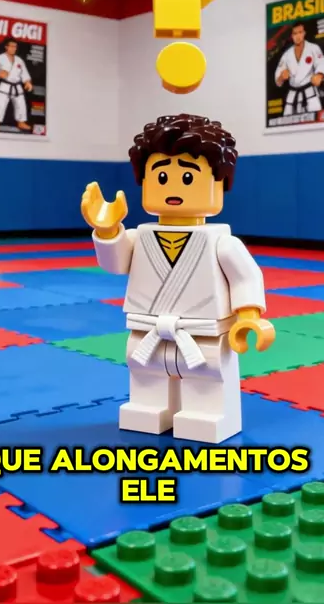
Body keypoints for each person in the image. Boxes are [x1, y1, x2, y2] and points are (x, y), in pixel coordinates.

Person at [81, 114, 274, 444]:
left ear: (220, 184)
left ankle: (207, 414)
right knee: (147, 373)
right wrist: (108, 231)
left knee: (206, 375)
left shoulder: (221, 242)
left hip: (202, 330)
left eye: (188, 177)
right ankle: (149, 407)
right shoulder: (140, 236)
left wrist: (248, 315)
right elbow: (115, 264)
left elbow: (246, 277)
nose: (173, 189)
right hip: (147, 326)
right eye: (160, 177)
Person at [275, 22, 324, 117]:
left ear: (304, 33)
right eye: (295, 33)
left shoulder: (313, 48)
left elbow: (321, 63)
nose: (298, 36)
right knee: (288, 121)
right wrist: (281, 77)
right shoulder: (287, 55)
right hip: (292, 96)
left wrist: (319, 75)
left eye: (300, 32)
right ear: (292, 36)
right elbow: (278, 79)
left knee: (315, 119)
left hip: (310, 93)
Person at [0, 38, 32, 132]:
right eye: (11, 46)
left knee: (21, 104)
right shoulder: (0, 58)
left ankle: (21, 122)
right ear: (6, 47)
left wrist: (27, 82)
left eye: (15, 47)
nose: (13, 48)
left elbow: (24, 73)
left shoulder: (19, 60)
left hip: (17, 86)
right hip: (6, 85)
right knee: (0, 104)